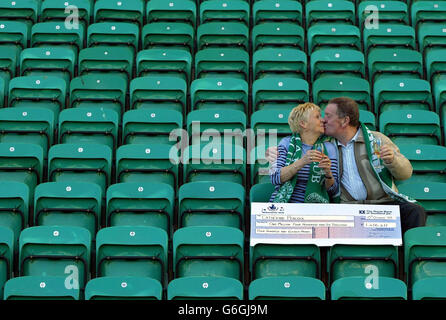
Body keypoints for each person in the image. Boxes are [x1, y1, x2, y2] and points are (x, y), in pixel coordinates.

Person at [268, 97, 426, 234]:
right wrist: (273, 154)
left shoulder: (377, 140)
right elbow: (296, 149)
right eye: (322, 117)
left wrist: (393, 161)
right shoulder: (326, 144)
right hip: (347, 208)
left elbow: (406, 173)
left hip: (381, 204)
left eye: (329, 116)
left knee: (415, 211)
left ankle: (404, 262)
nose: (324, 120)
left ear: (344, 120)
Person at [269, 102, 340, 203]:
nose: (323, 120)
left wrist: (328, 173)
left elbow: (333, 191)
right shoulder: (286, 143)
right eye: (317, 117)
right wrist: (302, 161)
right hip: (286, 207)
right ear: (303, 124)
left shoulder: (329, 148)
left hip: (315, 209)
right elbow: (275, 178)